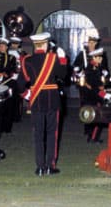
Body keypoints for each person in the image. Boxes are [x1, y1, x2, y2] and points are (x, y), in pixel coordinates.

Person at [17, 31, 71, 177]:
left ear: (35, 45)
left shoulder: (26, 60)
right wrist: (63, 59)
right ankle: (50, 166)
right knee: (52, 133)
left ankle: (40, 167)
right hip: (52, 98)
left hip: (36, 100)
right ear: (46, 44)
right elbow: (63, 76)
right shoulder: (53, 58)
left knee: (38, 134)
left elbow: (20, 84)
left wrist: (27, 95)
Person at [77, 47, 111, 144]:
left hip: (95, 96)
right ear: (94, 58)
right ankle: (93, 138)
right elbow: (94, 87)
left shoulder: (97, 68)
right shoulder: (91, 70)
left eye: (101, 57)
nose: (101, 59)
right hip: (93, 97)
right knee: (98, 118)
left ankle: (92, 137)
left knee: (94, 118)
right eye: (99, 58)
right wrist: (103, 94)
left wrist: (107, 81)